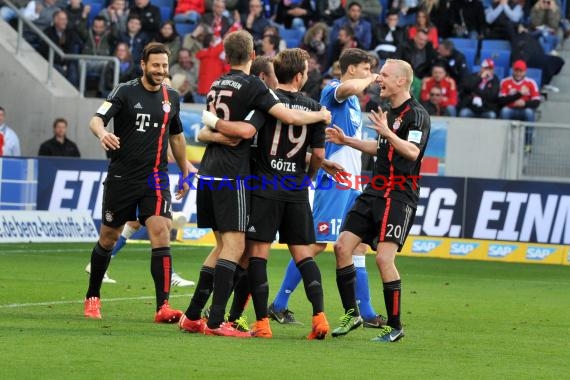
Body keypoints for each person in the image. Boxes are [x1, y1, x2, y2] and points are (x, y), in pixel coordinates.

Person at [178, 30, 331, 338]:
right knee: (244, 248)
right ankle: (220, 320)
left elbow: (205, 129)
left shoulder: (217, 83)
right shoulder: (259, 91)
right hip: (242, 178)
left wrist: (211, 128)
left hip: (215, 173)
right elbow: (273, 127)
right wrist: (320, 115)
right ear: (252, 57)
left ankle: (199, 315)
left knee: (230, 248)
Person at [269, 48, 386, 329]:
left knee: (357, 246)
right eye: (365, 69)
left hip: (352, 182)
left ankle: (367, 312)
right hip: (333, 181)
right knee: (317, 242)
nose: (370, 75)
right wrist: (372, 79)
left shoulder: (355, 103)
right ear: (351, 70)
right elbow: (347, 87)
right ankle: (278, 304)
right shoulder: (334, 90)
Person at [83, 42, 190, 323]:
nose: (161, 71)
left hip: (155, 177)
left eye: (165, 66)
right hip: (122, 177)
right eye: (156, 65)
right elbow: (96, 119)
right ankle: (93, 296)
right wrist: (102, 134)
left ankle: (163, 307)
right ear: (143, 64)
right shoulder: (125, 91)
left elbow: (177, 137)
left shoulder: (172, 97)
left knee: (160, 230)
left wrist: (186, 171)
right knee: (109, 237)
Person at [326, 58, 430, 342]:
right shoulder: (386, 110)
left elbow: (411, 151)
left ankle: (395, 326)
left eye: (383, 74)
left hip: (399, 194)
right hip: (374, 190)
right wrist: (347, 140)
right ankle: (352, 313)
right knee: (341, 246)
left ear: (400, 81)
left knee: (384, 259)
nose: (377, 78)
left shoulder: (417, 116)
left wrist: (387, 132)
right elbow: (381, 147)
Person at [244, 48, 330, 340]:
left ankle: (262, 324)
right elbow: (318, 153)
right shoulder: (315, 109)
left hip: (265, 186)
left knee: (258, 255)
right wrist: (309, 177)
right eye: (306, 71)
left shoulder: (265, 102)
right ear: (299, 75)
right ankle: (319, 318)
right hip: (296, 187)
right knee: (305, 255)